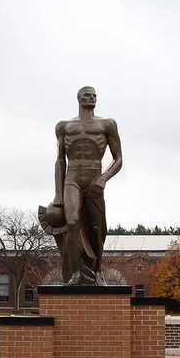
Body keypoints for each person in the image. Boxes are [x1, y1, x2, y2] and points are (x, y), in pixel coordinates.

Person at [45, 86, 123, 285]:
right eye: (88, 95)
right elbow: (60, 160)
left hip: (94, 178)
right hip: (72, 179)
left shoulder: (107, 124)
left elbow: (119, 159)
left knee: (97, 229)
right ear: (79, 98)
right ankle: (75, 273)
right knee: (72, 223)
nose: (92, 97)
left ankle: (97, 272)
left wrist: (103, 178)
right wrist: (58, 194)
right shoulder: (64, 126)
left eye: (95, 95)